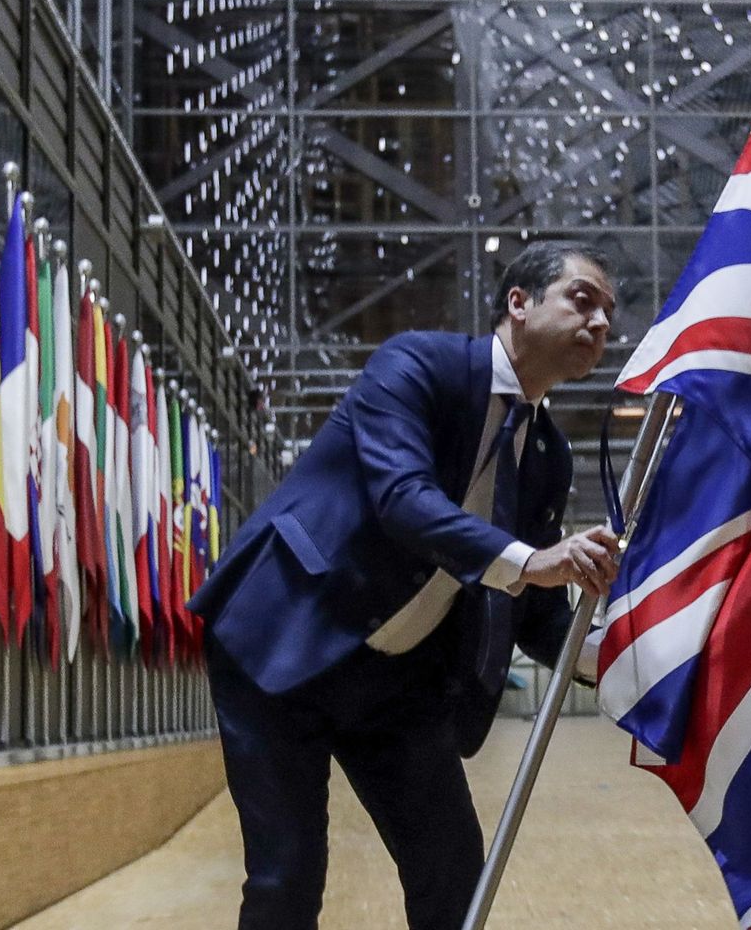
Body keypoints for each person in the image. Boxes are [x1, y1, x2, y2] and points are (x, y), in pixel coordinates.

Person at [188, 241, 622, 930]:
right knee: (288, 878)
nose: (601, 323)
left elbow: (536, 616)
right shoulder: (416, 363)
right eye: (582, 298)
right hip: (286, 638)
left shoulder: (546, 455)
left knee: (453, 872)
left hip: (398, 682)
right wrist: (532, 559)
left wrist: (624, 658)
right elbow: (404, 499)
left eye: (609, 312)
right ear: (519, 302)